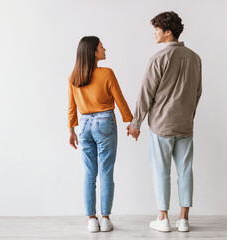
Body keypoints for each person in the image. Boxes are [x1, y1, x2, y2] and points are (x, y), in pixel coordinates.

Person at [127, 11, 202, 232]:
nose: (154, 33)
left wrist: (136, 123)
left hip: (162, 125)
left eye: (157, 30)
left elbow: (145, 93)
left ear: (168, 32)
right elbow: (198, 92)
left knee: (161, 171)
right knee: (185, 170)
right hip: (185, 124)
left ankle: (163, 218)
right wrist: (188, 116)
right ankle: (184, 220)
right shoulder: (195, 58)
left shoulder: (159, 58)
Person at [68, 36, 133, 232]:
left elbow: (71, 107)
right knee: (105, 172)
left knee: (89, 173)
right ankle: (105, 218)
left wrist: (71, 129)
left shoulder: (74, 76)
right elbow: (119, 100)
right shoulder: (106, 73)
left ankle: (91, 220)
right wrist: (130, 121)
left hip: (85, 124)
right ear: (93, 52)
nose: (105, 49)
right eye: (101, 47)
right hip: (105, 122)